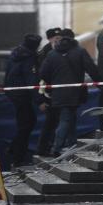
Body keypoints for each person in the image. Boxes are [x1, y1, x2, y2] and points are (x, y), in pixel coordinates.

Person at [39, 29, 100, 155]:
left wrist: (53, 84)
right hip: (74, 92)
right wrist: (100, 83)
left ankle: (72, 143)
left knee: (70, 117)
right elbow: (92, 69)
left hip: (57, 93)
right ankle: (56, 148)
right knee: (66, 119)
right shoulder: (79, 51)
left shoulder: (52, 54)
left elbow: (43, 73)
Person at [3, 33, 42, 165]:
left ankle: (15, 150)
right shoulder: (29, 58)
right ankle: (17, 156)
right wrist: (39, 100)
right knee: (27, 124)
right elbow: (31, 80)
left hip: (13, 93)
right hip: (23, 95)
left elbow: (7, 73)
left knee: (25, 123)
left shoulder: (15, 54)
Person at [35, 28, 63, 157]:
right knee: (50, 122)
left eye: (59, 38)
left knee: (55, 121)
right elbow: (39, 78)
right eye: (55, 38)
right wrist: (40, 99)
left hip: (57, 92)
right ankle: (43, 148)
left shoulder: (61, 51)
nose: (58, 40)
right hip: (46, 93)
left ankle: (50, 147)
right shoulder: (44, 54)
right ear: (50, 39)